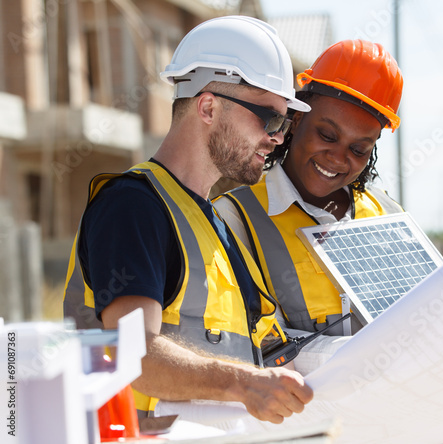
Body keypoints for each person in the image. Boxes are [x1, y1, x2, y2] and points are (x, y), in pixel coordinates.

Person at [62, 16, 313, 423]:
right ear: (209, 106)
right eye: (269, 119)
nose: (279, 137)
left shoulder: (213, 224)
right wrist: (244, 383)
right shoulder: (132, 207)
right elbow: (132, 354)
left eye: (285, 123)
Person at [214, 40, 404, 337]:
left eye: (359, 149)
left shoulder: (388, 215)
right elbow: (250, 341)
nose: (338, 158)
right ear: (298, 119)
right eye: (327, 135)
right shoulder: (234, 218)